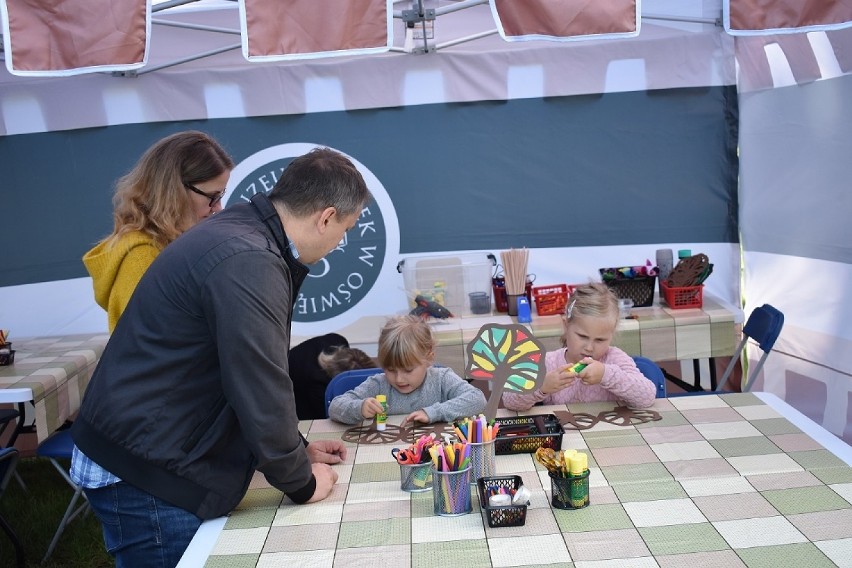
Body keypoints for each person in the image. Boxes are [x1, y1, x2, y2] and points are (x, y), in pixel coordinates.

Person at [70, 147, 370, 567]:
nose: (341, 241)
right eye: (345, 229)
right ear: (325, 217)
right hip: (148, 470)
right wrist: (301, 481)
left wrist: (295, 449)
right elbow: (258, 380)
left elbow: (240, 370)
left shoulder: (244, 234)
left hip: (148, 450)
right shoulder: (250, 259)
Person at [83, 130, 234, 332]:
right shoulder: (140, 258)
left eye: (221, 196)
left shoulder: (171, 245)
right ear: (173, 191)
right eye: (212, 197)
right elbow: (160, 346)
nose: (218, 208)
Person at [502, 282, 656, 411]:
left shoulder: (614, 358)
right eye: (582, 336)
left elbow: (647, 397)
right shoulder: (549, 362)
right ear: (566, 325)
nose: (589, 347)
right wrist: (541, 386)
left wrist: (605, 374)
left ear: (611, 336)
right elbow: (509, 400)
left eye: (600, 340)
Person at [329, 315, 487, 426]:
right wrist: (360, 408)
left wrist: (433, 412)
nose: (399, 379)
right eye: (390, 370)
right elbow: (335, 407)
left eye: (408, 370)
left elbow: (477, 399)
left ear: (429, 358)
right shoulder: (378, 384)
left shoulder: (442, 379)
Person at [288, 333, 376, 420]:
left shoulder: (339, 340)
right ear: (339, 380)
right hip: (294, 390)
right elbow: (331, 416)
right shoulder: (318, 385)